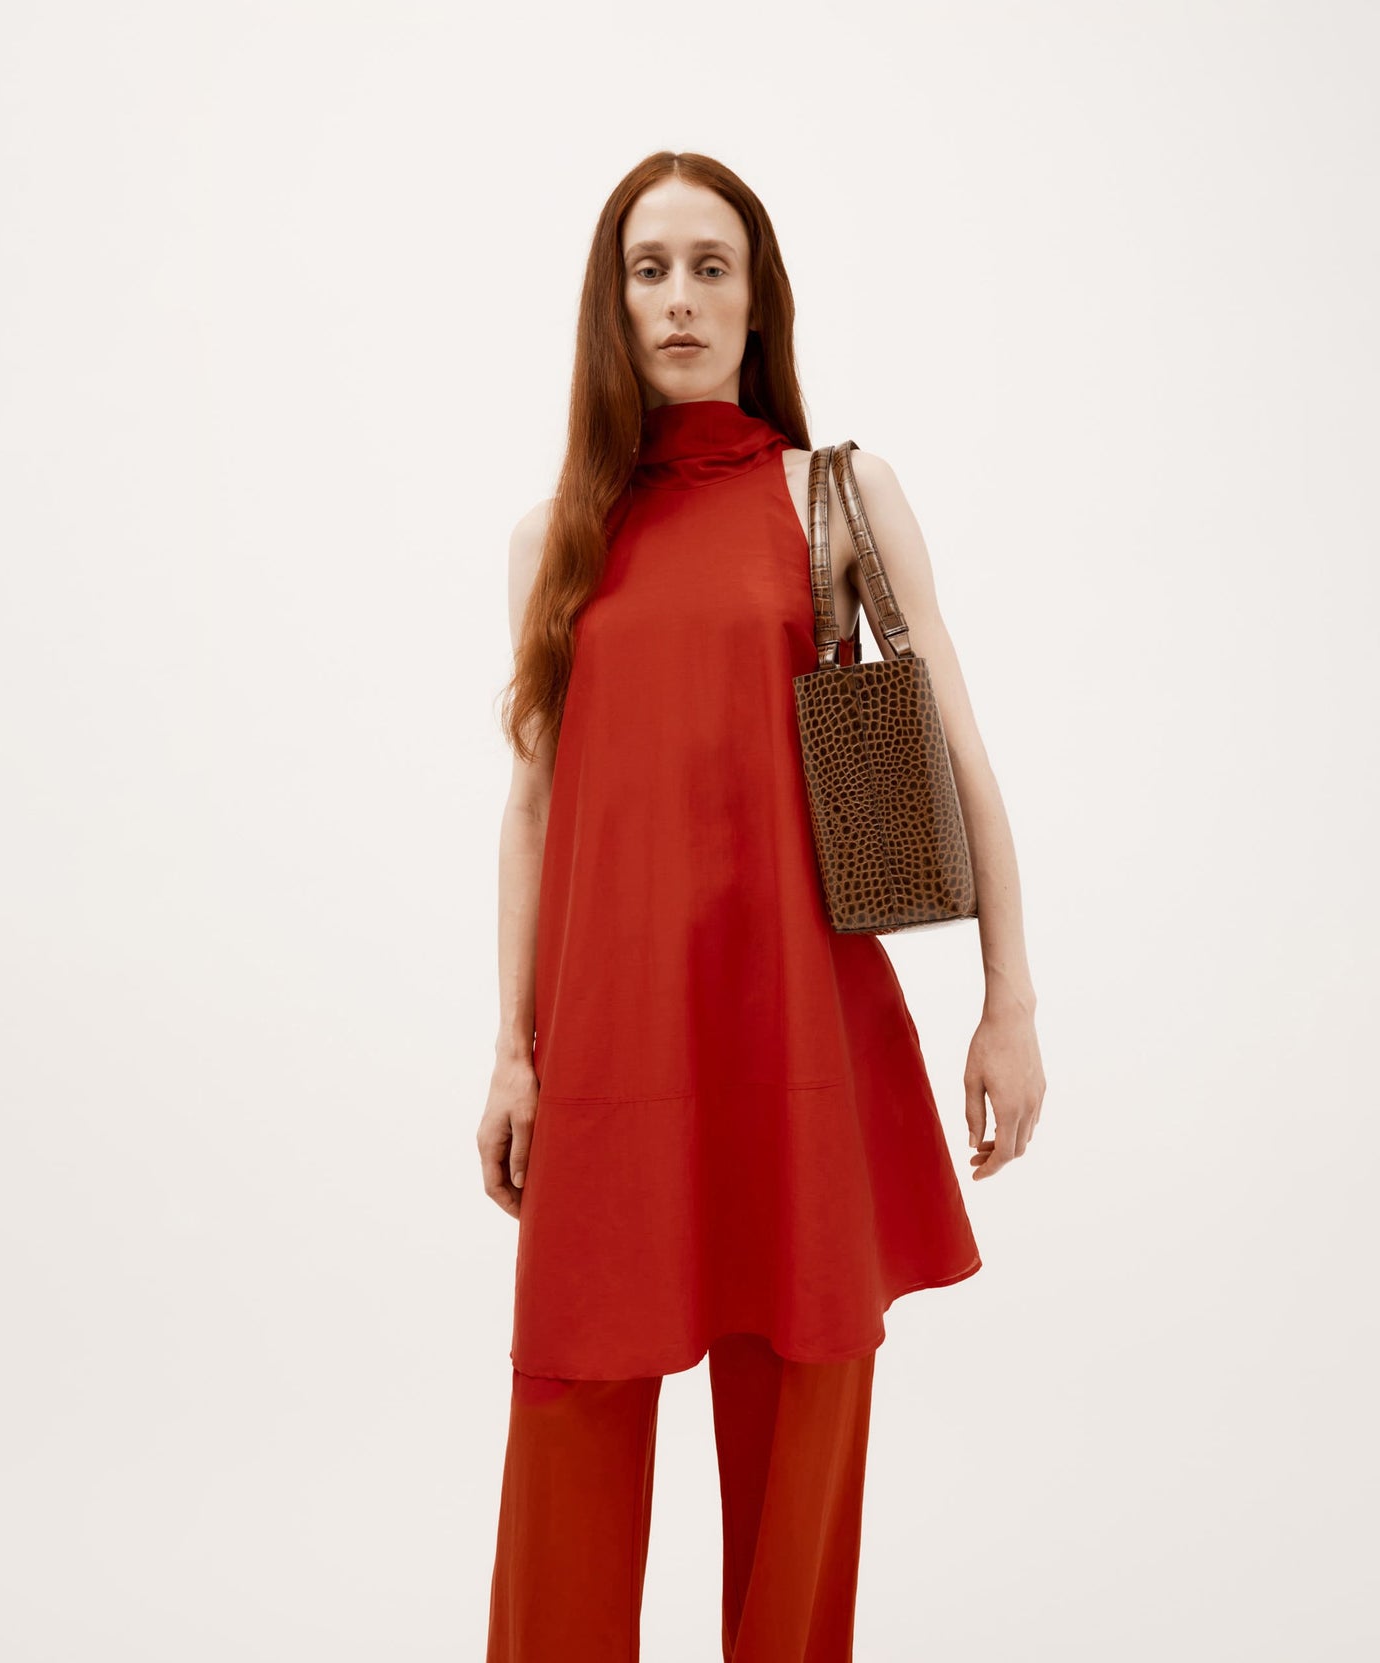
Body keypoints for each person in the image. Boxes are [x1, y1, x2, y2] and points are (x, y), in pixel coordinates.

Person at [478, 149, 1047, 1662]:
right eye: (648, 268)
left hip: (800, 1028)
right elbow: (530, 809)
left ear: (755, 300)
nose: (679, 297)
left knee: (803, 1405)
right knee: (573, 1399)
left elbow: (960, 755)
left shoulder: (835, 499)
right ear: (612, 305)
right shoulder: (554, 537)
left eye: (709, 266)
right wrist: (512, 1051)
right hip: (611, 1044)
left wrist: (1008, 1005)